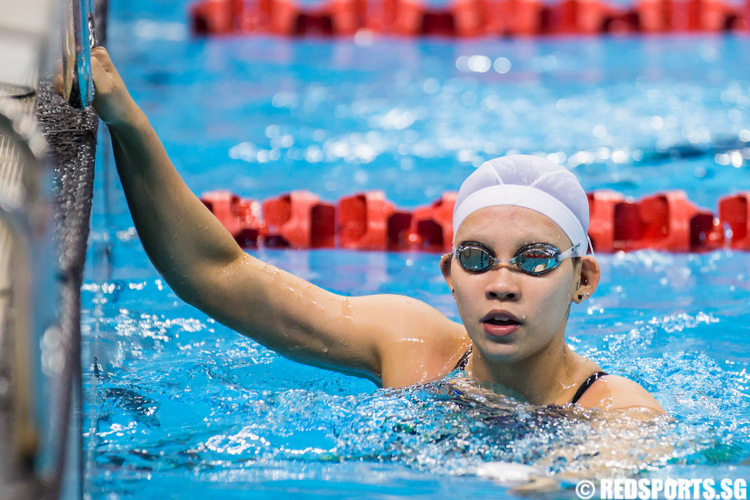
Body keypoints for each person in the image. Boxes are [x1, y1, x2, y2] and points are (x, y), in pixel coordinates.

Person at [85, 46, 665, 414]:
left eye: (536, 259)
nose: (503, 283)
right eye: (477, 258)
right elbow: (216, 273)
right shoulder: (409, 346)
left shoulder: (617, 413)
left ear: (583, 277)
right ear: (449, 273)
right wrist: (128, 122)